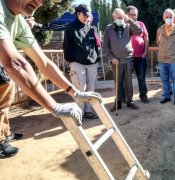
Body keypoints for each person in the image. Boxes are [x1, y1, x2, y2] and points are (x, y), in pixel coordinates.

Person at [0, 0, 101, 158]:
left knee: (3, 104)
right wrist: (56, 108)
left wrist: (75, 93)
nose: (39, 2)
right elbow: (15, 64)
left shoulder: (18, 20)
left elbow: (45, 63)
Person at [63, 4, 100, 120]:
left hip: (92, 63)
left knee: (91, 88)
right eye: (84, 15)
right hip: (77, 63)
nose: (87, 18)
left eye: (88, 15)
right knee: (80, 89)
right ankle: (79, 113)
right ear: (78, 13)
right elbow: (66, 47)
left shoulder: (91, 29)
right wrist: (71, 62)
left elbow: (95, 45)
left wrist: (96, 58)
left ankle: (88, 111)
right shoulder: (70, 28)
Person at [103, 8, 143, 112]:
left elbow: (139, 31)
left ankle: (130, 101)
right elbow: (105, 46)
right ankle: (118, 102)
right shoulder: (108, 28)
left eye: (121, 17)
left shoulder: (128, 26)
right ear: (113, 18)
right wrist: (112, 58)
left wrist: (129, 20)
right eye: (118, 17)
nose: (120, 19)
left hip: (128, 59)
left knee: (129, 82)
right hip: (116, 60)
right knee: (118, 82)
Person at [156, 8, 175, 105]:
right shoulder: (159, 30)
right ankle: (167, 96)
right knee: (164, 79)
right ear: (163, 17)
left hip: (173, 59)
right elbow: (158, 42)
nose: (168, 18)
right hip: (162, 59)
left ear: (173, 18)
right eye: (167, 17)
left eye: (170, 17)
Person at [126, 6, 150, 104]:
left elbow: (146, 38)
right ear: (126, 15)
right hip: (128, 57)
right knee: (127, 78)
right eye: (130, 14)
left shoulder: (141, 24)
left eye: (134, 14)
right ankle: (127, 98)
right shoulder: (124, 25)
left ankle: (143, 95)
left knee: (141, 77)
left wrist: (145, 51)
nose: (133, 16)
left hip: (140, 56)